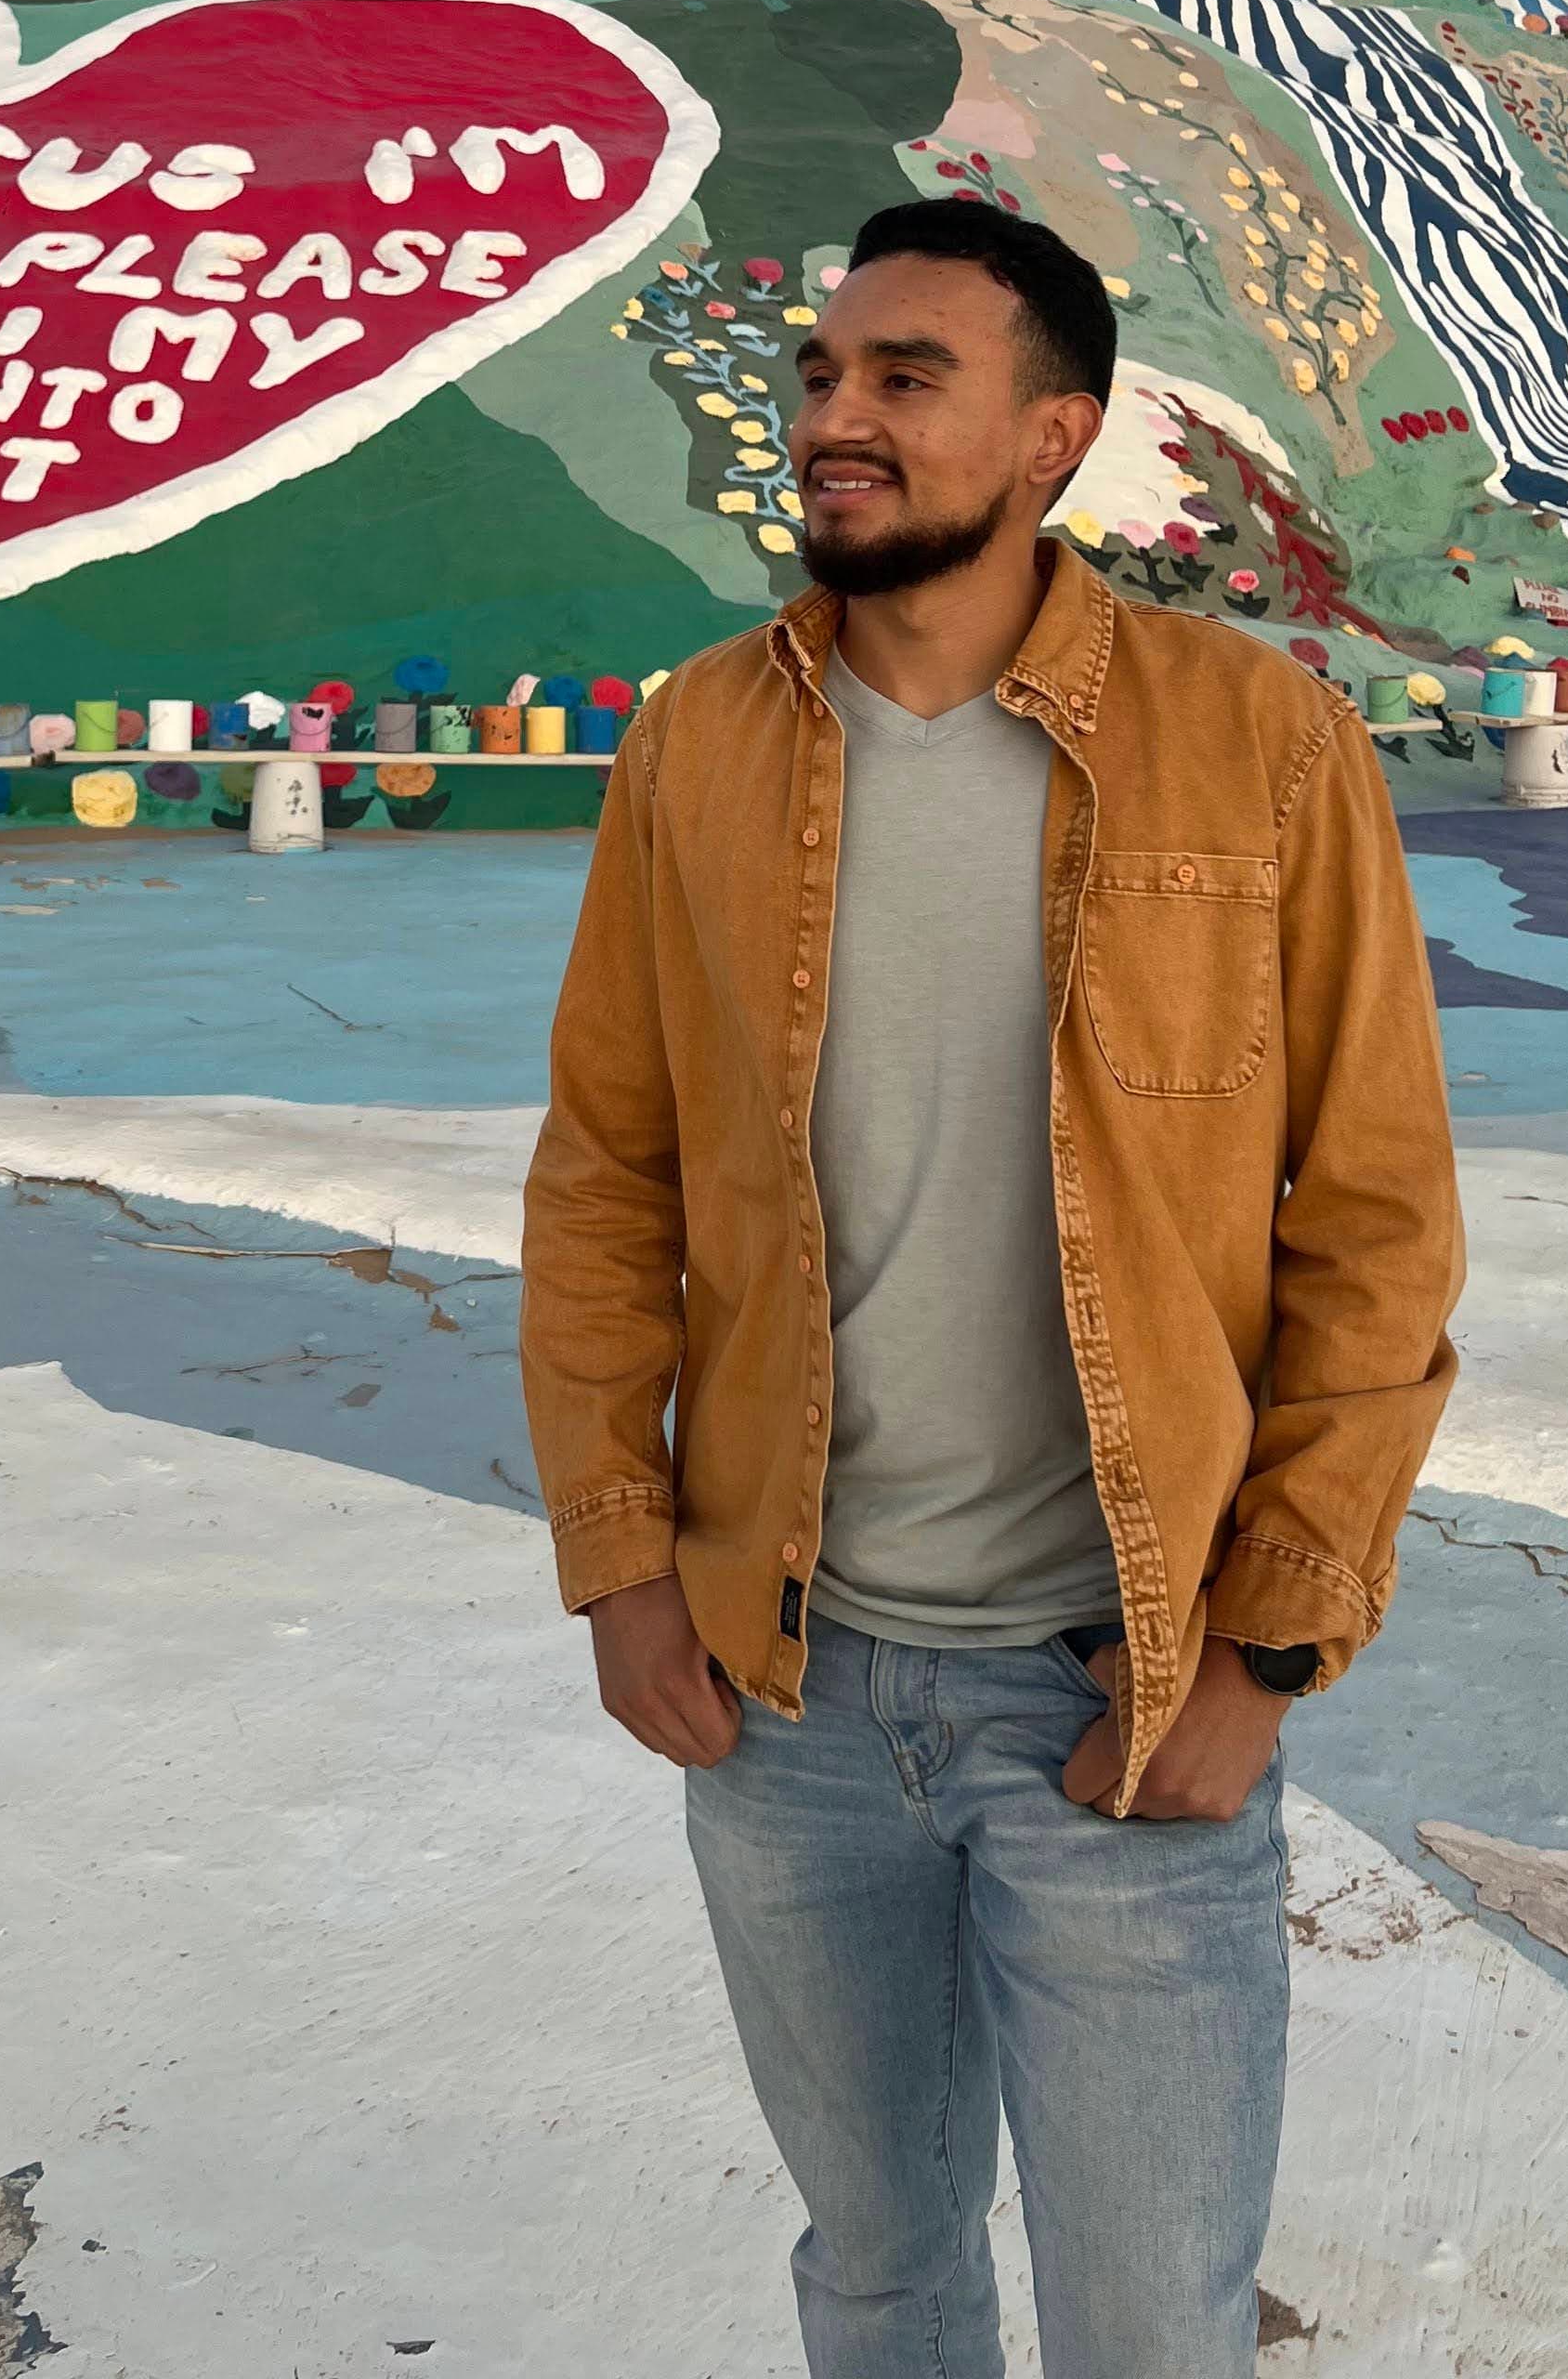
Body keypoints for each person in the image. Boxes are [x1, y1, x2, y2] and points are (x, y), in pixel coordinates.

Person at [521, 198, 1461, 2378]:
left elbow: (1381, 1221)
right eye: (823, 376)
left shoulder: (1259, 742)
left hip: (1122, 1694)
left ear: (1053, 437)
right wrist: (621, 1563)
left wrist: (1271, 1646)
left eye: (904, 380)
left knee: (1149, 2323)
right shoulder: (695, 746)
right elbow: (608, 1176)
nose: (836, 419)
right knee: (878, 2265)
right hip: (791, 1693)